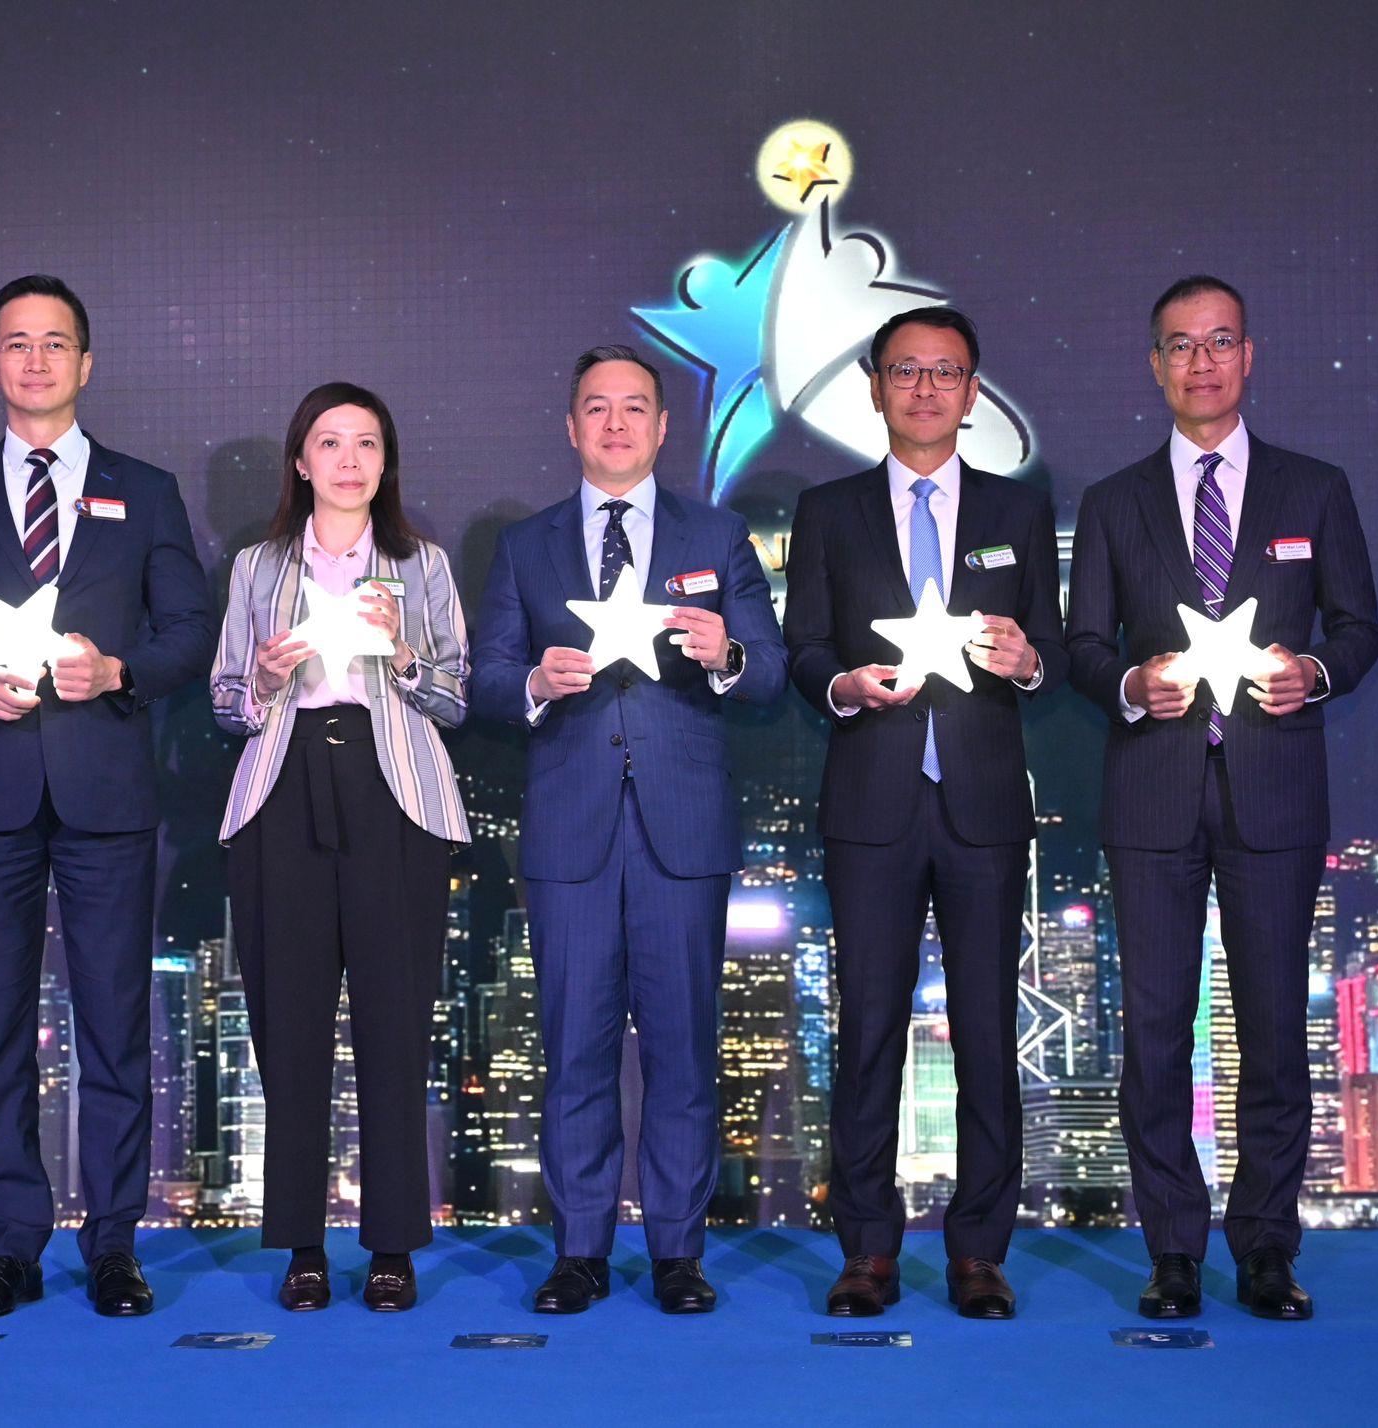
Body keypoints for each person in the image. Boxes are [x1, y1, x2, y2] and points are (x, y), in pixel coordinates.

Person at [0, 274, 214, 1318]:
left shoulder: (145, 489)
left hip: (108, 792)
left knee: (116, 1026)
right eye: (15, 343)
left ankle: (114, 1245)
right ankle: (11, 1245)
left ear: (86, 361)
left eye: (54, 342)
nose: (35, 360)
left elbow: (188, 634)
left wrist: (117, 672)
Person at [1065, 275, 1378, 1320]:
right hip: (1151, 791)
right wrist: (1126, 684)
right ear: (1152, 365)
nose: (1199, 364)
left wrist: (1317, 674)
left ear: (1248, 356)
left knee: (1271, 1029)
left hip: (1274, 792)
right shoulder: (1112, 501)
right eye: (1177, 347)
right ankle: (1170, 1250)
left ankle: (1262, 1248)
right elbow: (1080, 644)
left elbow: (1357, 627)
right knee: (1154, 1030)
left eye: (1218, 343)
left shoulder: (1314, 488)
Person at [471, 345, 786, 1314]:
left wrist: (722, 650)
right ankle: (579, 1252)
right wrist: (531, 682)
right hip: (569, 833)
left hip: (680, 832)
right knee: (572, 1048)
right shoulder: (526, 547)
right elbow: (483, 680)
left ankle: (678, 1254)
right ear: (570, 428)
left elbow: (770, 672)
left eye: (634, 408)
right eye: (595, 409)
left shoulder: (717, 534)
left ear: (661, 428)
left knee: (686, 1050)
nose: (614, 424)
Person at [782, 306, 1066, 1319]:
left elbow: (1057, 650)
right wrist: (844, 685)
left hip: (984, 807)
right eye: (904, 370)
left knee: (988, 1031)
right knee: (866, 1030)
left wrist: (1030, 661)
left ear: (973, 391)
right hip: (870, 802)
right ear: (873, 384)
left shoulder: (1017, 513)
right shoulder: (829, 510)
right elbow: (799, 648)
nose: (925, 389)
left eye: (945, 372)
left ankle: (978, 1251)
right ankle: (865, 1248)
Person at [210, 382, 470, 1313]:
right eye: (331, 442)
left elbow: (453, 698)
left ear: (385, 462)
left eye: (367, 443)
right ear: (301, 461)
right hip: (283, 789)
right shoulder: (257, 568)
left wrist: (401, 655)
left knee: (396, 1025)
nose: (350, 460)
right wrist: (267, 680)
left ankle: (394, 1245)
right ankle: (302, 1248)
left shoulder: (422, 564)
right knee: (290, 1027)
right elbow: (225, 705)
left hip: (391, 791)